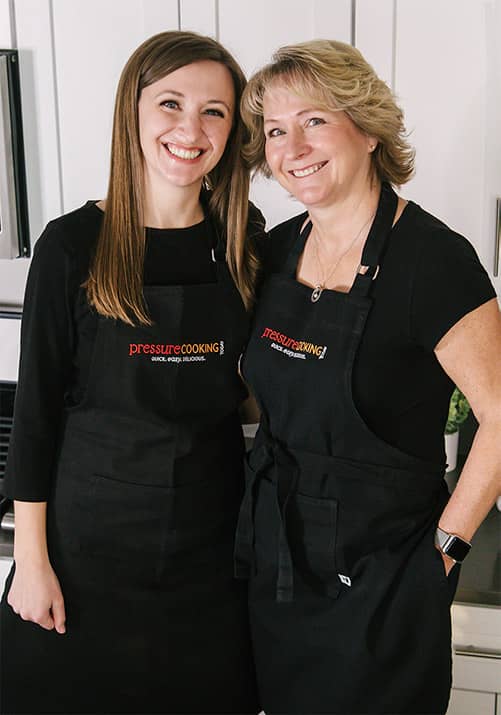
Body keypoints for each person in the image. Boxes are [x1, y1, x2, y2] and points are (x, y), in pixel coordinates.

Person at [234, 39, 501, 715]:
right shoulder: (272, 251)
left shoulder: (433, 261)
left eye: (313, 120)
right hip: (280, 572)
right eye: (273, 130)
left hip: (384, 583)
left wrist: (441, 554)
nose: (291, 146)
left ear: (366, 128)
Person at [1, 31, 263, 714]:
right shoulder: (73, 244)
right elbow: (33, 417)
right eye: (170, 103)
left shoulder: (244, 241)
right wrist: (30, 563)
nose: (190, 128)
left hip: (209, 560)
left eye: (214, 111)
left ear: (233, 130)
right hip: (86, 556)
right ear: (133, 113)